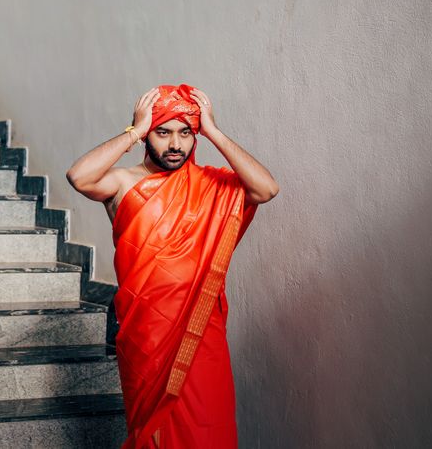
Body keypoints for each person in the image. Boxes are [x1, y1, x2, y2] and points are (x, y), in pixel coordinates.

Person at [66, 84, 279, 448]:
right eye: (163, 133)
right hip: (146, 335)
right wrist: (133, 130)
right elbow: (79, 176)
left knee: (209, 425)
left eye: (186, 133)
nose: (176, 145)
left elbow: (266, 188)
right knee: (155, 432)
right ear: (148, 135)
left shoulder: (210, 184)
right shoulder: (123, 182)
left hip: (200, 332)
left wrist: (212, 130)